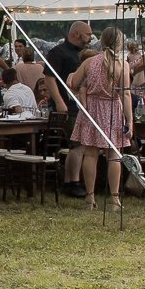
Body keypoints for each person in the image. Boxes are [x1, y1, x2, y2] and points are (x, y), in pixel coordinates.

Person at [71, 27, 132, 211]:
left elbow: (73, 83)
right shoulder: (123, 64)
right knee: (114, 155)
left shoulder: (89, 62)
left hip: (92, 108)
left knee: (90, 153)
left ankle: (90, 197)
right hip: (112, 107)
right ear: (120, 42)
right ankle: (114, 199)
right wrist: (129, 120)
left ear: (102, 42)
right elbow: (126, 94)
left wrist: (84, 90)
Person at [45, 21, 92, 197]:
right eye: (87, 34)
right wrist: (59, 101)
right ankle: (71, 182)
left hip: (80, 105)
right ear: (76, 34)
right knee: (77, 144)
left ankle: (77, 180)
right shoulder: (58, 52)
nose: (90, 38)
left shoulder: (82, 54)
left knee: (81, 145)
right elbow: (49, 78)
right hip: (67, 105)